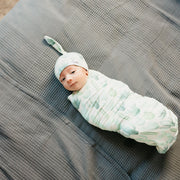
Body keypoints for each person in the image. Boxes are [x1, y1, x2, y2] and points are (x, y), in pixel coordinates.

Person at [44, 36, 178, 154]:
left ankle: (165, 120)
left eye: (72, 72)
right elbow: (91, 114)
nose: (68, 79)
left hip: (126, 103)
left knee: (143, 106)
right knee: (130, 129)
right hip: (117, 120)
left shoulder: (95, 78)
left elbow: (117, 89)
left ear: (85, 71)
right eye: (63, 79)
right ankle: (161, 136)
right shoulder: (76, 98)